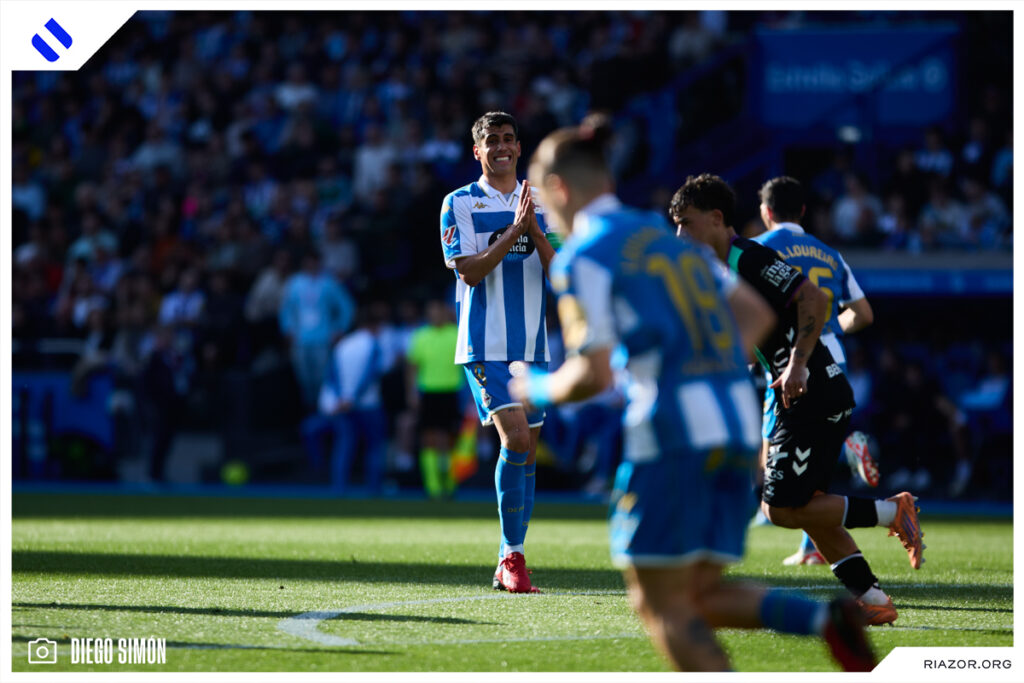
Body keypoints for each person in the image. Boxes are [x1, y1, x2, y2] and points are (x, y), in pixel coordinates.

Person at [510, 120, 874, 672]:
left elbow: (592, 376)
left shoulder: (584, 253)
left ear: (559, 189)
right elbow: (752, 314)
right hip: (733, 424)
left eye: (538, 199)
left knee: (658, 603)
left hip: (674, 435)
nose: (543, 214)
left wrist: (530, 384)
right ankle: (824, 619)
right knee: (699, 595)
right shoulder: (668, 238)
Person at [670, 173, 924, 627]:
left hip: (812, 391)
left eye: (685, 223)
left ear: (714, 218)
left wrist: (798, 363)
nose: (679, 235)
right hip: (805, 390)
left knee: (781, 508)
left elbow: (813, 299)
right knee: (809, 506)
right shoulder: (724, 269)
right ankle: (873, 597)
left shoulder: (748, 256)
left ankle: (893, 511)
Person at [439, 111, 558, 593]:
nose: (502, 147)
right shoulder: (459, 202)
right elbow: (467, 271)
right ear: (477, 151)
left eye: (509, 139)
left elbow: (564, 273)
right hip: (483, 343)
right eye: (492, 141)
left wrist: (535, 230)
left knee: (526, 452)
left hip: (532, 343)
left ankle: (515, 554)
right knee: (516, 442)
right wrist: (514, 232)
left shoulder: (544, 202)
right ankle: (511, 557)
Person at [754, 176, 878, 566]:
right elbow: (863, 314)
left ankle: (845, 453)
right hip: (832, 357)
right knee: (809, 450)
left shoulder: (756, 250)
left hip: (788, 361)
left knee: (775, 452)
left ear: (766, 211)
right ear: (803, 211)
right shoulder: (829, 253)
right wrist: (826, 329)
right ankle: (813, 546)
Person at [278, 249, 355, 409]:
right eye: (308, 261)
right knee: (304, 380)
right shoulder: (295, 283)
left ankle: (323, 413)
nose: (311, 265)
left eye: (314, 261)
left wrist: (340, 329)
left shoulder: (329, 283)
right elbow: (286, 309)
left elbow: (346, 306)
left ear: (319, 263)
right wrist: (288, 329)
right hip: (300, 340)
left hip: (322, 340)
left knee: (322, 379)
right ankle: (309, 415)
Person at [406, 298, 464, 499]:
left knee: (449, 440)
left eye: (438, 311)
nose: (435, 315)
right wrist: (412, 393)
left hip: (451, 392)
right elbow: (413, 367)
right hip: (428, 393)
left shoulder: (457, 334)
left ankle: (450, 482)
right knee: (428, 439)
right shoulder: (421, 336)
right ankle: (433, 486)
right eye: (431, 312)